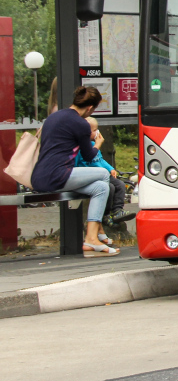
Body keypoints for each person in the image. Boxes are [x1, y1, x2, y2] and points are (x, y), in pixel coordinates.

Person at [30, 86, 118, 256]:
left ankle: (92, 237)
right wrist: (98, 144)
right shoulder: (81, 124)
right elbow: (88, 156)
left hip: (40, 175)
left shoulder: (53, 117)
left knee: (101, 188)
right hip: (57, 175)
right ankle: (97, 232)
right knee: (103, 174)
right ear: (90, 108)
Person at [78, 117, 135, 232]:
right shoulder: (82, 147)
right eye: (95, 130)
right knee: (110, 188)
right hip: (94, 176)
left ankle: (117, 210)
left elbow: (101, 160)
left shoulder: (94, 144)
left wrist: (110, 168)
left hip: (104, 174)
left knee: (120, 185)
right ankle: (106, 214)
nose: (97, 132)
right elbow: (84, 160)